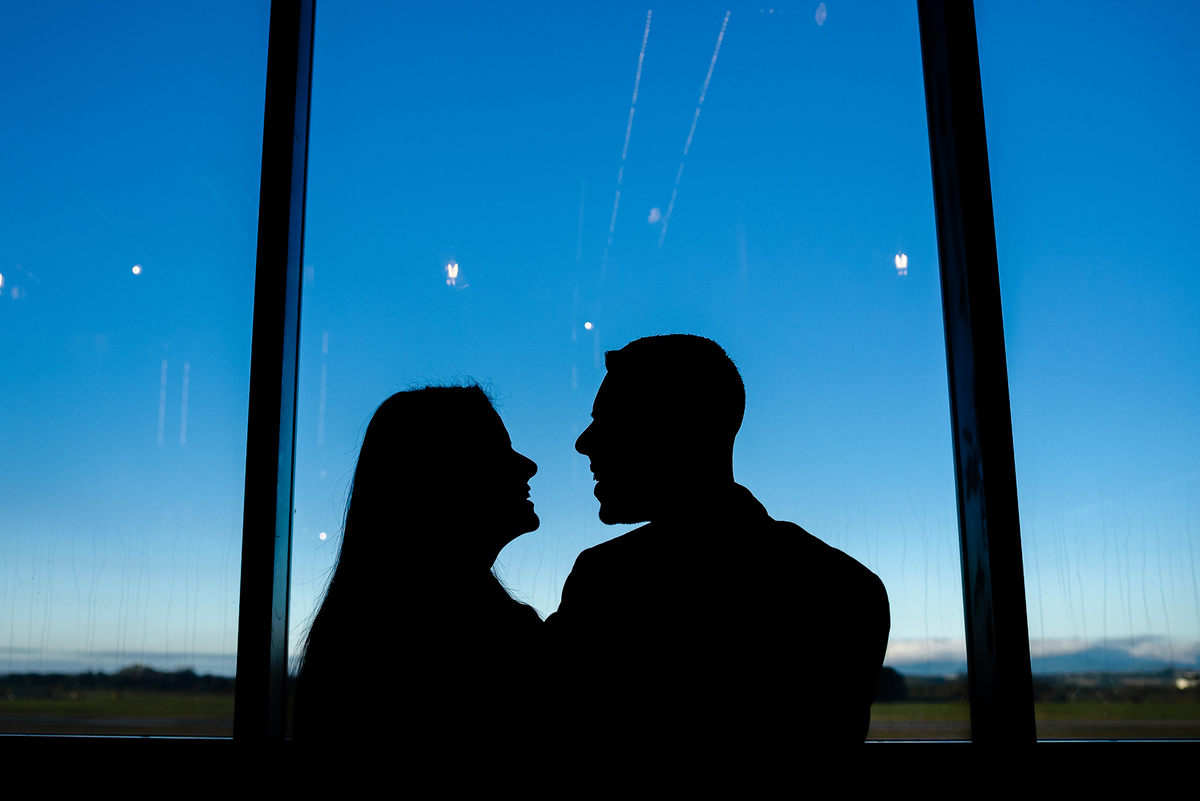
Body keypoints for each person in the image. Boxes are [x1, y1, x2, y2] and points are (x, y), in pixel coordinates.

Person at [547, 335, 890, 751]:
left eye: (612, 421)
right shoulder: (845, 588)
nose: (584, 442)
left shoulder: (605, 581)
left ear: (683, 429)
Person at [292, 384, 542, 742]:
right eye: (497, 451)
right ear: (441, 477)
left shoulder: (361, 631)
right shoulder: (484, 639)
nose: (528, 465)